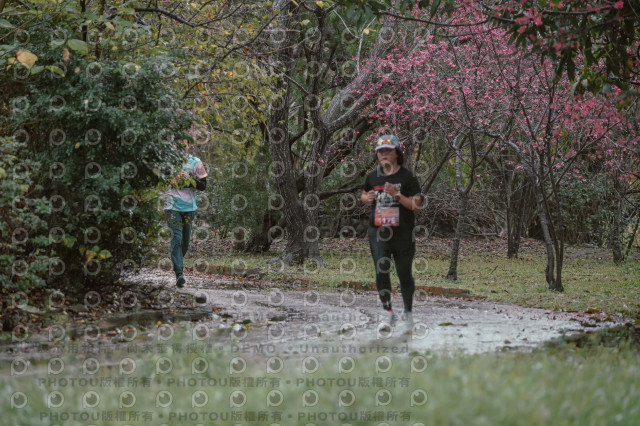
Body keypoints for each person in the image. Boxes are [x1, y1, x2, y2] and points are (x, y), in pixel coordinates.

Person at [361, 134, 423, 333]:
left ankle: (408, 313)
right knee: (381, 270)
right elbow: (364, 194)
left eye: (388, 150)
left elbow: (416, 205)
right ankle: (388, 312)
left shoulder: (407, 177)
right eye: (380, 151)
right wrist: (367, 198)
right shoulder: (373, 176)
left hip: (403, 232)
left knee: (404, 272)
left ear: (397, 153)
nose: (384, 154)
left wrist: (396, 195)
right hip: (378, 232)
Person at [164, 140, 208, 288]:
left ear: (188, 145)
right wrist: (173, 179)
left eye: (184, 144)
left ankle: (177, 262)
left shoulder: (196, 162)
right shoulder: (168, 160)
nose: (181, 147)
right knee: (176, 238)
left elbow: (203, 185)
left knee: (185, 242)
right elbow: (161, 179)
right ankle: (179, 274)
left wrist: (190, 179)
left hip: (189, 208)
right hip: (172, 206)